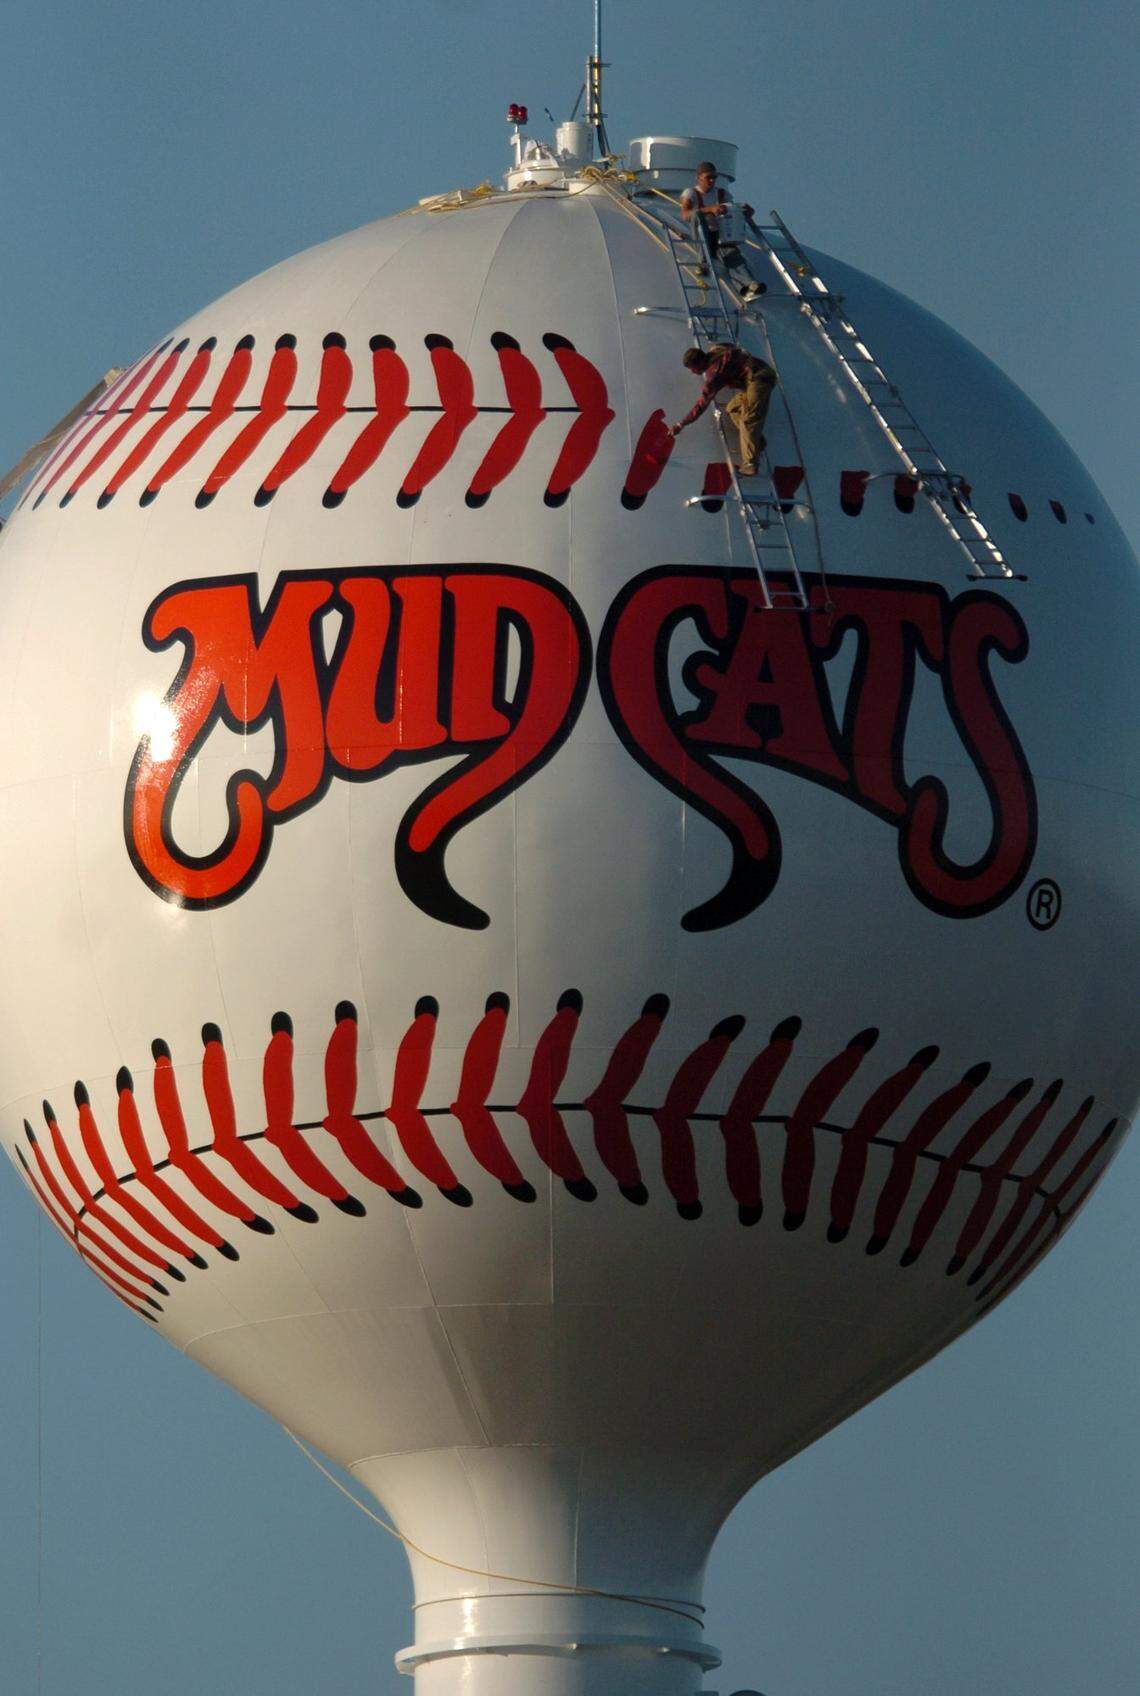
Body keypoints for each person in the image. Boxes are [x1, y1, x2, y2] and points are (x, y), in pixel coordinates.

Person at [671, 344, 776, 477]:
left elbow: (702, 404)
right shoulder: (716, 351)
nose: (693, 372)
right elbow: (727, 345)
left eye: (693, 368)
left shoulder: (715, 373)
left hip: (759, 378)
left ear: (700, 363)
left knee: (749, 419)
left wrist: (681, 424)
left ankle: (750, 464)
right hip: (752, 381)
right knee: (733, 408)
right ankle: (755, 441)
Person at [679, 162, 766, 303]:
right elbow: (685, 214)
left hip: (720, 236)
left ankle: (748, 287)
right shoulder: (691, 193)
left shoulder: (721, 193)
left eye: (714, 177)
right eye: (708, 177)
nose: (712, 181)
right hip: (702, 237)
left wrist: (744, 211)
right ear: (699, 178)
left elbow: (731, 207)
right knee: (697, 215)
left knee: (732, 256)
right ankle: (703, 261)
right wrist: (710, 209)